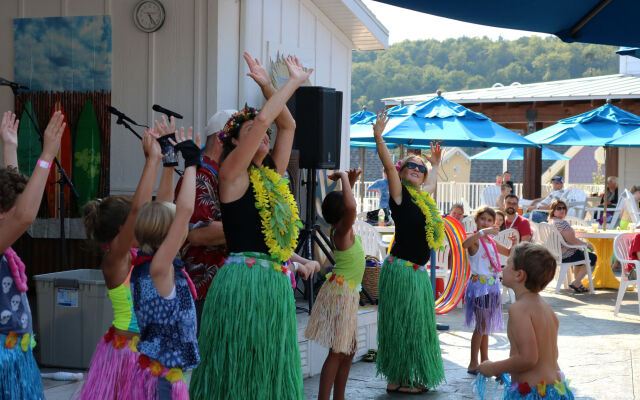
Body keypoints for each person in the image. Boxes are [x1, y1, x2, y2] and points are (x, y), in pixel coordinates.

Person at [189, 54, 315, 399]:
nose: (263, 134)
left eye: (263, 135)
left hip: (274, 283)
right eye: (249, 134)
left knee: (269, 364)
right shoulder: (232, 175)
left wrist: (267, 84)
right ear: (234, 144)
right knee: (237, 365)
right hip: (243, 282)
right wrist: (291, 83)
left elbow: (285, 126)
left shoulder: (270, 176)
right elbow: (263, 120)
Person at [79, 123, 174, 399]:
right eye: (135, 222)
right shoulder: (115, 260)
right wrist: (152, 160)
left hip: (152, 353)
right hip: (126, 359)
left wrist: (168, 160)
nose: (143, 224)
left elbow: (162, 211)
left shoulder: (140, 254)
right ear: (122, 229)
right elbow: (138, 211)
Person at [372, 109, 445, 394]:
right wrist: (379, 137)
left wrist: (435, 164)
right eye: (411, 167)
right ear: (401, 173)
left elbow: (431, 184)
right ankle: (397, 379)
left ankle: (400, 377)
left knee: (413, 326)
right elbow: (389, 168)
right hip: (402, 272)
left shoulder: (421, 198)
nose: (416, 169)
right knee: (403, 326)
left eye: (420, 168)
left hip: (414, 273)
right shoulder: (400, 195)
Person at [129, 126, 201, 399]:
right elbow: (183, 211)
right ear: (169, 234)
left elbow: (166, 207)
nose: (183, 226)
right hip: (162, 379)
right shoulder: (160, 268)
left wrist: (170, 161)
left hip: (162, 372)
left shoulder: (151, 264)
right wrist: (193, 164)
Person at [0, 111, 65, 399]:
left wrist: (9, 147)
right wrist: (47, 155)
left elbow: (15, 199)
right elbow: (24, 214)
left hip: (15, 352)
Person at [476, 242, 575, 400]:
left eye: (508, 264)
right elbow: (552, 354)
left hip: (533, 393)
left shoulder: (519, 309)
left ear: (519, 275)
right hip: (556, 390)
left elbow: (528, 358)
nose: (503, 267)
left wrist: (493, 368)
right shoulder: (547, 309)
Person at [305, 168, 365, 400]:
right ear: (343, 215)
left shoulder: (343, 227)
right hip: (341, 294)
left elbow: (347, 206)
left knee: (348, 351)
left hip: (347, 293)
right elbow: (350, 207)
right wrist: (342, 177)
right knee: (338, 351)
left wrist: (348, 182)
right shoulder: (341, 231)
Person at [174, 109, 234, 328]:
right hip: (204, 293)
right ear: (222, 139)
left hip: (223, 288)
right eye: (240, 139)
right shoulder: (201, 175)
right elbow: (197, 233)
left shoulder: (222, 173)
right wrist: (251, 229)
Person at [462, 206, 515, 375]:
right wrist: (483, 232)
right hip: (479, 288)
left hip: (492, 288)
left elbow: (508, 253)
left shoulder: (491, 241)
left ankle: (485, 361)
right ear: (477, 221)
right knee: (481, 326)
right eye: (483, 219)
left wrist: (514, 243)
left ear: (494, 223)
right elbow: (464, 244)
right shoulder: (475, 239)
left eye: (489, 220)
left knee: (486, 327)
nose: (486, 222)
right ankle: (472, 363)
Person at [548, 200, 596, 294]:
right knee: (592, 257)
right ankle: (576, 282)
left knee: (580, 255)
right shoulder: (561, 223)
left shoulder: (551, 222)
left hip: (555, 254)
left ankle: (577, 283)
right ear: (553, 211)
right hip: (565, 255)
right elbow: (572, 241)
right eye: (559, 208)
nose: (562, 210)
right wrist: (587, 245)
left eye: (564, 208)